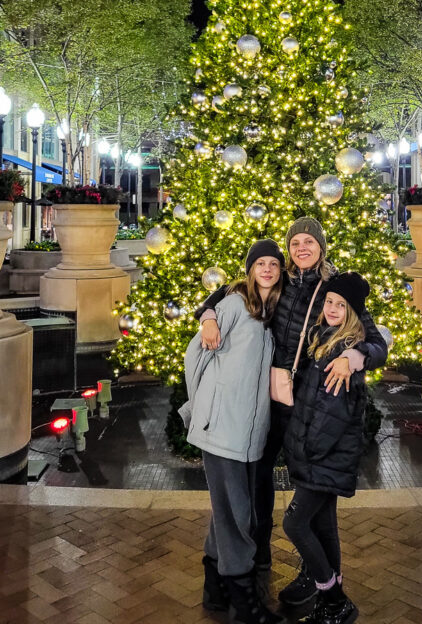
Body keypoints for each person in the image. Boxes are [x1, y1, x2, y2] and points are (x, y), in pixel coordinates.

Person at [196, 217, 388, 606]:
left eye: (309, 242)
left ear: (321, 246)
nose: (302, 248)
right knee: (257, 480)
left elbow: (377, 341)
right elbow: (221, 294)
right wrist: (208, 316)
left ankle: (315, 575)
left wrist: (355, 355)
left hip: (309, 405)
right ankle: (258, 553)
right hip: (270, 398)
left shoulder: (332, 287)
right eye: (295, 242)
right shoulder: (278, 279)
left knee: (313, 493)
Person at [184, 239, 287, 624]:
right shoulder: (230, 305)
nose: (266, 269)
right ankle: (244, 606)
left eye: (273, 264)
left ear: (280, 271)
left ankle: (215, 589)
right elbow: (195, 357)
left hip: (251, 432)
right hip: (223, 428)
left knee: (227, 512)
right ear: (249, 269)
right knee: (237, 514)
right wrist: (204, 407)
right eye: (259, 263)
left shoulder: (275, 311)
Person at [282, 272, 372, 624]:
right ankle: (331, 602)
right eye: (330, 302)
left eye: (341, 305)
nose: (333, 308)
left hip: (323, 456)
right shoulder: (324, 337)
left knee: (295, 523)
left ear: (353, 312)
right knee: (324, 525)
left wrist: (308, 450)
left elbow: (332, 413)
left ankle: (333, 598)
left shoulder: (343, 352)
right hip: (321, 455)